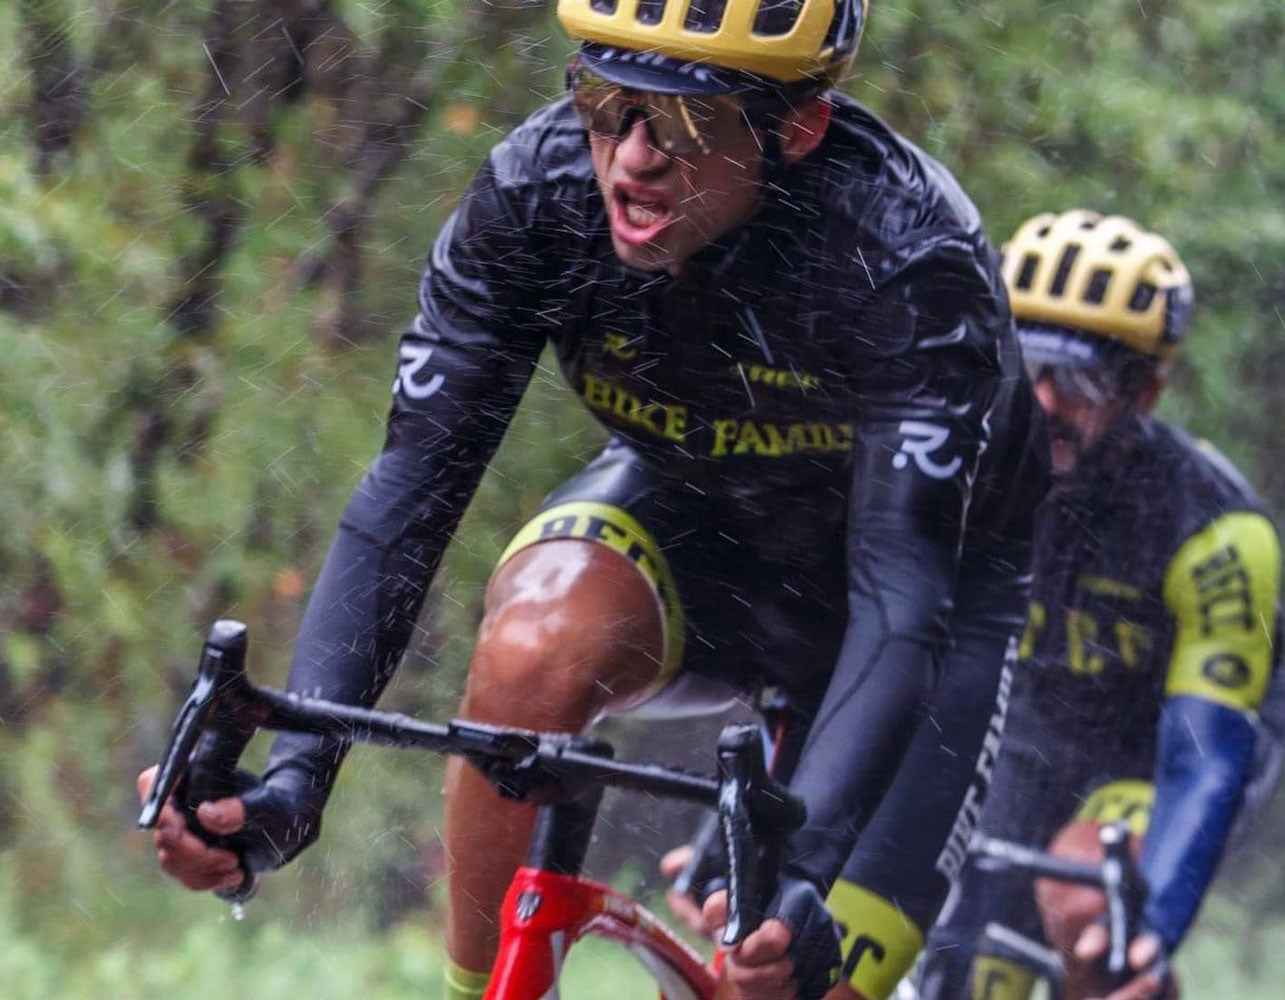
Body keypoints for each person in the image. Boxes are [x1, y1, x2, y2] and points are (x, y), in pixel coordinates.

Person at [136, 1, 1050, 998]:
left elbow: (900, 603)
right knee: (534, 643)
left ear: (797, 128)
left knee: (792, 979)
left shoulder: (906, 255)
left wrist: (801, 868)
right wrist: (295, 779)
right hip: (697, 526)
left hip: (916, 610)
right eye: (607, 100)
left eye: (689, 121)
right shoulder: (539, 194)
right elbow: (407, 499)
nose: (633, 156)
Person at [912, 210, 1283, 1000]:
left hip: (1161, 756)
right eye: (1027, 366)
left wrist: (1151, 930)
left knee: (1088, 901)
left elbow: (1203, 760)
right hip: (1030, 738)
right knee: (969, 963)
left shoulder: (1214, 529)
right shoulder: (954, 469)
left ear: (1142, 392)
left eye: (1077, 382)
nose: (1044, 401)